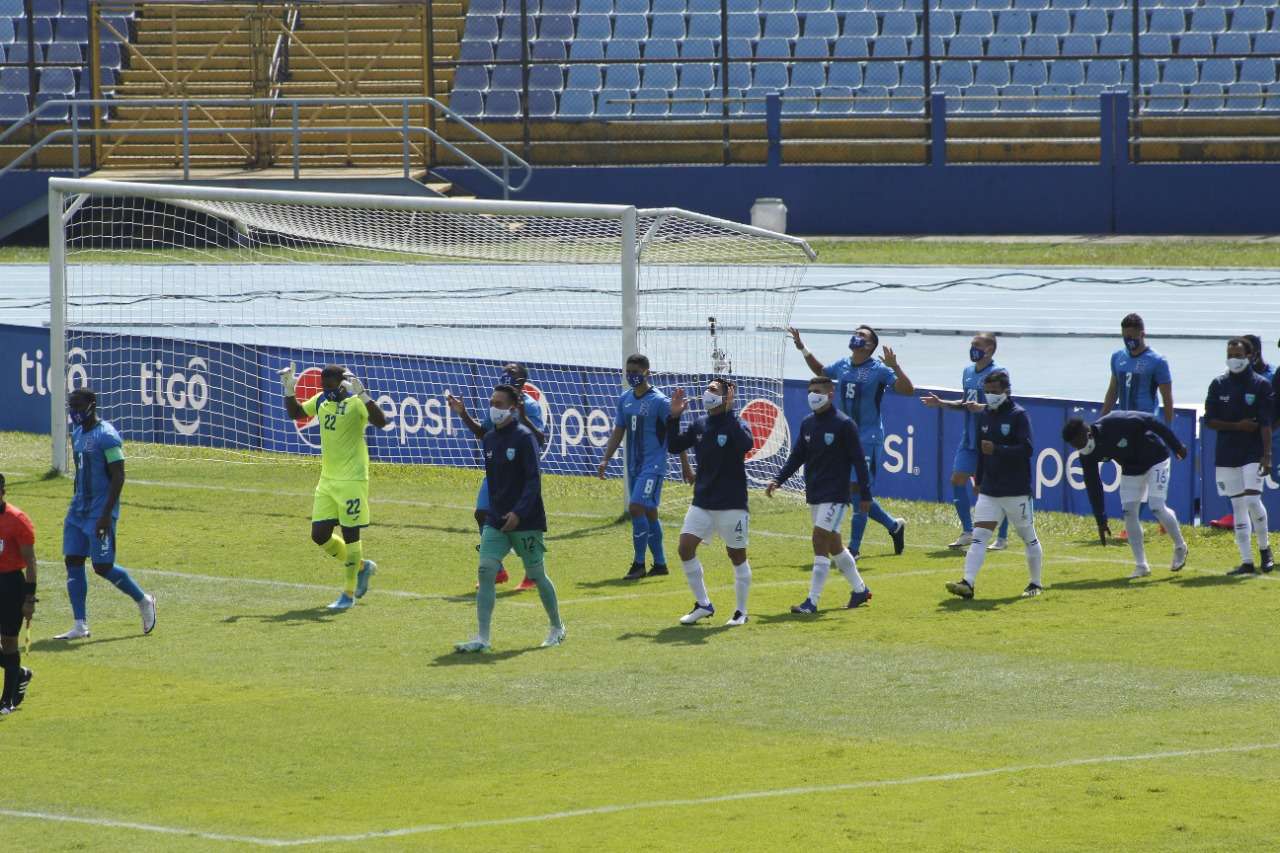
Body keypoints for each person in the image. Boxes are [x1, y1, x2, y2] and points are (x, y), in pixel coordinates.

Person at [455, 385, 565, 652]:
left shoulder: (525, 438)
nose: (494, 407)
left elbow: (532, 481)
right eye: (492, 402)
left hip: (525, 520)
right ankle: (482, 638)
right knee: (486, 570)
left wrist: (518, 512)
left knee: (537, 574)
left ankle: (557, 627)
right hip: (497, 520)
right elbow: (494, 482)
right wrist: (496, 512)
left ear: (513, 408)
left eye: (500, 403)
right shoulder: (490, 439)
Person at [788, 325, 912, 557]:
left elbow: (907, 390)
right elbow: (822, 371)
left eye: (862, 335)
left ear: (870, 345)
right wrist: (802, 348)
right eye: (855, 333)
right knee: (853, 492)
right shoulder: (843, 365)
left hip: (868, 436)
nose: (856, 337)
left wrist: (894, 365)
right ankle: (894, 526)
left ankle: (853, 549)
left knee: (857, 488)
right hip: (844, 436)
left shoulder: (879, 370)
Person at [280, 364, 386, 610]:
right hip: (327, 481)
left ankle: (347, 595)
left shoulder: (356, 404)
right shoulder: (321, 401)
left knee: (351, 536)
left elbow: (381, 422)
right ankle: (362, 567)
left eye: (330, 387)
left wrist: (364, 395)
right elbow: (295, 413)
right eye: (323, 387)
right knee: (319, 535)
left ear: (342, 384)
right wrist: (288, 389)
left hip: (352, 482)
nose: (326, 391)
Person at [766, 376, 873, 615]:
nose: (812, 395)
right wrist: (778, 479)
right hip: (814, 493)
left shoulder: (845, 424)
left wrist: (865, 495)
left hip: (835, 495)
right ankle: (860, 590)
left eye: (817, 391)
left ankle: (811, 602)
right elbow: (797, 456)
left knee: (819, 539)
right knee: (835, 545)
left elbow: (859, 462)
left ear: (830, 394)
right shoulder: (807, 424)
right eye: (810, 391)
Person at [54, 388, 156, 640]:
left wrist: (105, 515)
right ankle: (80, 624)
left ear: (92, 405)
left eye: (78, 406)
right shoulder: (77, 433)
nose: (74, 411)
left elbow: (118, 476)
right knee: (73, 560)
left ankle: (144, 600)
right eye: (71, 406)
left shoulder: (107, 436)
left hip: (100, 511)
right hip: (78, 509)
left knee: (102, 566)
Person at [944, 370, 1045, 600]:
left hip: (1016, 490)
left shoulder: (1019, 415)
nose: (990, 396)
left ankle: (1035, 583)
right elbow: (982, 452)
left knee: (1028, 536)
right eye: (987, 392)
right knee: (979, 536)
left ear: (1006, 390)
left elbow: (1027, 449)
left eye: (994, 391)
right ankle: (967, 583)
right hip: (990, 490)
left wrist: (999, 450)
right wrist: (978, 481)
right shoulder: (984, 416)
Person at [449, 362, 546, 592]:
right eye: (504, 371)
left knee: (524, 523)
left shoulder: (530, 406)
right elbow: (483, 433)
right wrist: (462, 413)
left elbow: (540, 439)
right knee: (482, 513)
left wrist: (523, 416)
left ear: (522, 380)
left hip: (521, 473)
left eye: (511, 372)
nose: (505, 374)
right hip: (498, 469)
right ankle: (498, 570)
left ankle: (533, 573)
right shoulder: (497, 403)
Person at [666, 378, 754, 627]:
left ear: (727, 397)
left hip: (732, 503)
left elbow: (747, 444)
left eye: (714, 390)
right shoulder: (700, 424)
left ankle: (740, 612)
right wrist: (674, 418)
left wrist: (730, 411)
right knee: (685, 548)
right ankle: (703, 604)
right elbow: (674, 445)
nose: (708, 393)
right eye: (708, 389)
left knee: (736, 555)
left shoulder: (736, 423)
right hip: (702, 501)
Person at [597, 354, 693, 581]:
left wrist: (685, 467)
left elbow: (675, 433)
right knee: (649, 512)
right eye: (628, 372)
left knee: (636, 507)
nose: (631, 376)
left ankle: (638, 564)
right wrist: (605, 459)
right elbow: (618, 431)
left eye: (635, 372)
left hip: (654, 465)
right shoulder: (625, 399)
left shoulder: (659, 401)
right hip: (634, 466)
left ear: (647, 373)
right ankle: (660, 564)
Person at [1062, 412, 1189, 579]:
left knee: (1156, 506)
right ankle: (1141, 565)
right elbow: (1093, 484)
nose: (1080, 448)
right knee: (1129, 513)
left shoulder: (1116, 422)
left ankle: (1180, 547)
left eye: (1080, 443)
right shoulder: (1086, 454)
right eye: (1075, 447)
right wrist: (1101, 519)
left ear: (1087, 432)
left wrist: (1176, 445)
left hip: (1156, 459)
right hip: (1131, 469)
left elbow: (1152, 421)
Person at [920, 332, 1010, 551]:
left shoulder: (999, 372)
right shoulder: (968, 372)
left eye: (977, 345)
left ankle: (1002, 537)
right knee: (957, 479)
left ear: (989, 349)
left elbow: (1007, 404)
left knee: (990, 490)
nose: (972, 348)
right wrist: (941, 403)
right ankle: (968, 531)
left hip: (990, 438)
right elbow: (965, 403)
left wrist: (984, 408)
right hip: (969, 438)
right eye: (972, 345)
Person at [1204, 338, 1274, 575]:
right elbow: (1210, 420)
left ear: (1250, 356)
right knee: (1238, 506)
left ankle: (1265, 550)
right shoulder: (1218, 384)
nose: (1233, 359)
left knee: (1253, 500)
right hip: (1226, 453)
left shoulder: (1261, 385)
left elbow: (1265, 423)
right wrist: (1237, 426)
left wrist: (1267, 455)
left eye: (1238, 354)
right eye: (1230, 354)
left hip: (1253, 452)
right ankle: (1246, 561)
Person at [0, 474, 36, 715]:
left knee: (8, 642)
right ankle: (19, 673)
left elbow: (31, 561)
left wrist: (29, 599)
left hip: (10, 585)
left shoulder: (17, 519)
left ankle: (7, 700)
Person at [1102, 313, 1174, 425]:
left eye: (1131, 337)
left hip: (1146, 424)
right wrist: (1101, 421)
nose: (1128, 341)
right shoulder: (1117, 357)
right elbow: (1113, 390)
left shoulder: (1158, 361)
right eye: (1125, 337)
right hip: (1123, 423)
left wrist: (1168, 428)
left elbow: (1167, 399)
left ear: (1142, 334)